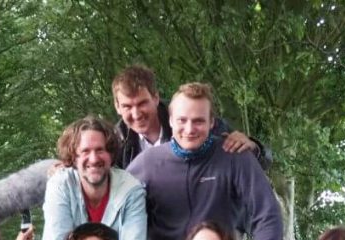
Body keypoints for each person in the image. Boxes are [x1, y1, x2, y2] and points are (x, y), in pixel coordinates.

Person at [126, 82, 283, 240]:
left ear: (212, 123)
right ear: (170, 120)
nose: (189, 129)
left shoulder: (234, 157)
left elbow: (267, 214)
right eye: (182, 120)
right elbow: (113, 209)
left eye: (198, 121)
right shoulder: (146, 164)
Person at [40, 116, 149, 240]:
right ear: (73, 157)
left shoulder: (131, 190)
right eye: (85, 151)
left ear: (111, 154)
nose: (94, 158)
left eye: (100, 150)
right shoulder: (60, 185)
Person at [111, 65, 270, 170]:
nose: (136, 113)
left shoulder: (190, 121)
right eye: (127, 107)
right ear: (117, 107)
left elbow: (264, 162)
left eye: (142, 103)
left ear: (156, 98)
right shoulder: (115, 142)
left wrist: (253, 148)